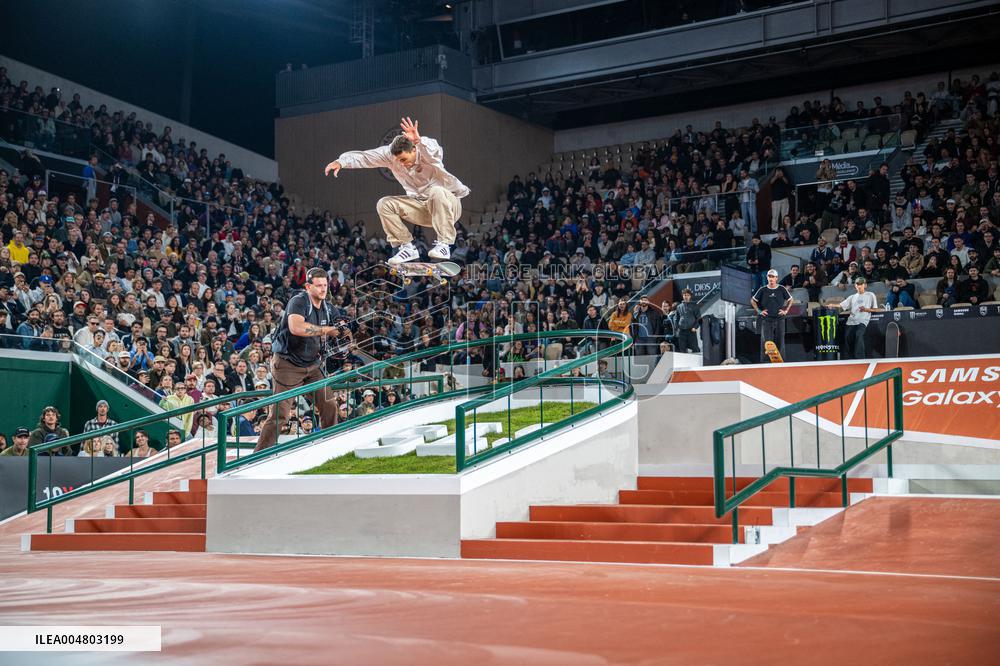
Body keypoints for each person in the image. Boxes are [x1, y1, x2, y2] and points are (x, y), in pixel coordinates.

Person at [325, 117, 470, 264]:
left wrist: (419, 141)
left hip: (449, 206)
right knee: (384, 204)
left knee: (436, 191)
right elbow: (365, 157)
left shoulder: (425, 150)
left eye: (404, 159)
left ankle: (444, 244)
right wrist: (341, 162)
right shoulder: (390, 155)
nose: (402, 164)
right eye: (399, 160)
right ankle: (407, 247)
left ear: (413, 149)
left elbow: (435, 152)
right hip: (422, 208)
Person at [254, 268, 341, 452]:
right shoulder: (298, 301)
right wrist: (326, 330)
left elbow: (340, 324)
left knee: (329, 404)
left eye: (325, 285)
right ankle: (259, 455)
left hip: (312, 364)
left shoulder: (327, 306)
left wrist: (345, 330)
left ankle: (331, 448)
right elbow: (296, 327)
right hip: (288, 364)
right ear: (308, 286)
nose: (323, 289)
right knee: (280, 414)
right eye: (318, 286)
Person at [751, 269, 793, 362]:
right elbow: (753, 300)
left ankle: (781, 361)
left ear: (776, 278)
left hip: (779, 319)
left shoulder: (781, 288)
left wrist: (786, 311)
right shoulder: (762, 289)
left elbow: (791, 299)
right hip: (767, 320)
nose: (771, 278)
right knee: (766, 342)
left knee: (780, 341)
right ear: (767, 278)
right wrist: (759, 311)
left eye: (773, 277)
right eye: (769, 276)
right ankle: (765, 362)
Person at [839, 277, 881, 360]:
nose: (859, 286)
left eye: (861, 284)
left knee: (859, 335)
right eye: (857, 284)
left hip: (862, 321)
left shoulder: (870, 295)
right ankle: (848, 358)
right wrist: (831, 305)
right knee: (847, 337)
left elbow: (876, 309)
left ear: (865, 285)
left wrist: (865, 309)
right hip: (851, 321)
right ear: (855, 286)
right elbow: (841, 305)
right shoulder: (852, 297)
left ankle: (860, 358)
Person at [674, 288, 702, 354]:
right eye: (684, 295)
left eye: (687, 295)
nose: (686, 297)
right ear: (682, 296)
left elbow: (699, 318)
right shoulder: (679, 306)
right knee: (682, 349)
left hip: (691, 331)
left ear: (690, 296)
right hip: (681, 331)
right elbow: (676, 318)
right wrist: (677, 327)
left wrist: (695, 327)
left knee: (695, 348)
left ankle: (696, 363)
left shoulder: (695, 306)